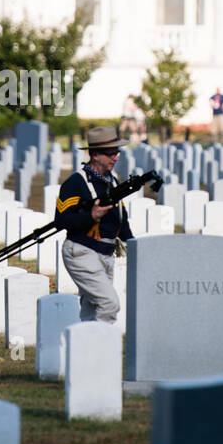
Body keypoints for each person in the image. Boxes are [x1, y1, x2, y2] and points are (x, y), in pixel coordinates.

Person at [54, 125, 135, 323]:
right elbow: (61, 220)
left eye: (117, 152)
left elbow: (121, 218)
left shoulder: (112, 180)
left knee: (92, 308)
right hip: (82, 251)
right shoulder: (76, 182)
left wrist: (134, 245)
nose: (116, 157)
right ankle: (100, 351)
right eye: (111, 153)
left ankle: (83, 350)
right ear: (95, 155)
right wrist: (92, 215)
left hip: (106, 253)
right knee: (109, 304)